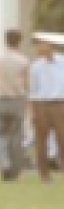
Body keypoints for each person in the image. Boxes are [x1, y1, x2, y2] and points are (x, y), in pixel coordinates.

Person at [0, 29, 30, 181]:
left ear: (5, 41)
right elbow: (26, 83)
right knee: (16, 135)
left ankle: (4, 163)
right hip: (17, 100)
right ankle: (15, 169)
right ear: (19, 42)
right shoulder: (23, 61)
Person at [28, 37, 64, 182]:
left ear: (49, 45)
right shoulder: (36, 66)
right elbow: (33, 91)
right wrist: (33, 112)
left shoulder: (62, 62)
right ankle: (44, 175)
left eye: (40, 45)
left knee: (62, 138)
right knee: (41, 140)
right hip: (42, 104)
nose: (38, 48)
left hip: (60, 103)